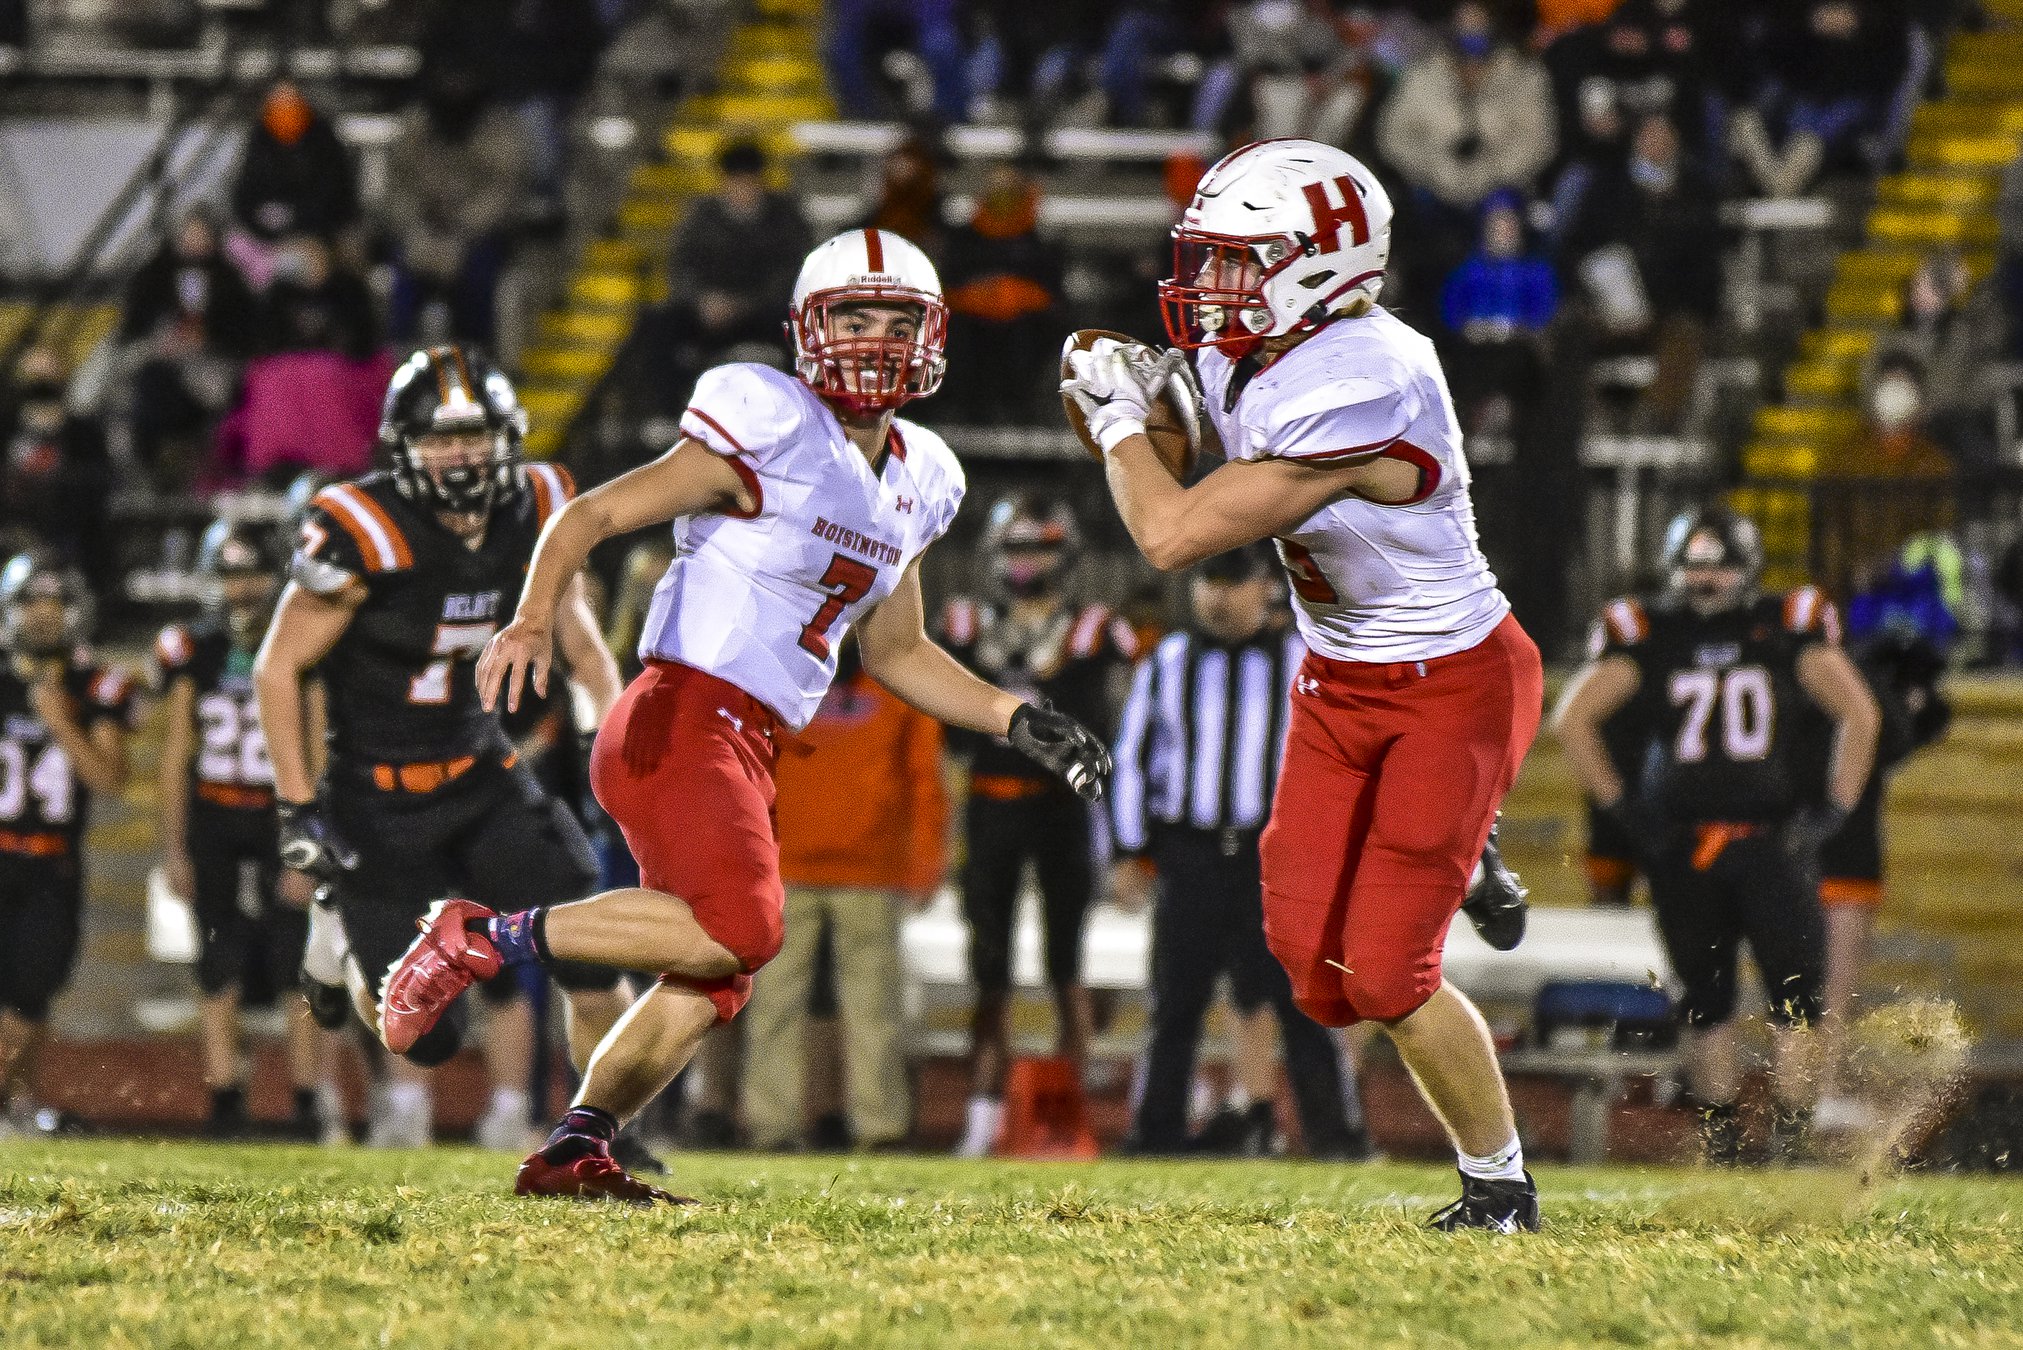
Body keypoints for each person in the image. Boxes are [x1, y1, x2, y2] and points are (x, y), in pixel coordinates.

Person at [375, 228, 1111, 1202]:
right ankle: (480, 938)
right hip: (682, 712)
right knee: (742, 927)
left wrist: (1017, 717)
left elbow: (896, 653)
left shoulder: (924, 473)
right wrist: (532, 619)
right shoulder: (764, 417)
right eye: (854, 316)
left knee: (717, 971)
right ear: (808, 329)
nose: (876, 339)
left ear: (932, 336)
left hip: (748, 739)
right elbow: (590, 514)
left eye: (897, 320)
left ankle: (574, 1148)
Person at [1066, 139, 1542, 1230]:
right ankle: (1465, 851)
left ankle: (1501, 1187)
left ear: (1323, 264)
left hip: (1450, 685)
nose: (1211, 285)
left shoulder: (1366, 373)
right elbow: (1177, 459)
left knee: (1384, 974)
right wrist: (1125, 403)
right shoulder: (1258, 346)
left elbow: (1173, 530)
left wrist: (1112, 417)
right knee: (1308, 967)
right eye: (1210, 259)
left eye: (1241, 260)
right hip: (1339, 679)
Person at [252, 346, 634, 1148]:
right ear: (402, 448)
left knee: (598, 947)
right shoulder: (362, 526)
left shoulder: (539, 506)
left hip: (482, 773)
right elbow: (278, 667)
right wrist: (297, 807)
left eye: (474, 437)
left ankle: (605, 1135)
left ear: (508, 438)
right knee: (428, 1036)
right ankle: (339, 933)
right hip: (376, 797)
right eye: (437, 439)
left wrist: (614, 755)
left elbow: (586, 652)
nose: (458, 456)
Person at [1552, 506, 1880, 1163]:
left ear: (1747, 568)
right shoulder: (1654, 632)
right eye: (1695, 565)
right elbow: (1571, 718)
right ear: (1676, 570)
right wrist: (1628, 812)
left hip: (1766, 842)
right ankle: (1724, 1140)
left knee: (1795, 1002)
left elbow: (1859, 713)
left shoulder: (1783, 628)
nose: (1706, 579)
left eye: (1719, 564)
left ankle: (1787, 1141)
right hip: (1685, 845)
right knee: (1706, 1001)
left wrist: (1832, 812)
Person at [1110, 542, 1370, 1161]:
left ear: (1265, 588)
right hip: (1191, 857)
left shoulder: (1303, 663)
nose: (1217, 597)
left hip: (1274, 860)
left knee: (1304, 1004)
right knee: (1175, 1004)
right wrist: (1129, 851)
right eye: (1208, 582)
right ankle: (1156, 1134)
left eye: (1232, 583)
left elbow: (1342, 761)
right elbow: (1131, 761)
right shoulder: (1167, 661)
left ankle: (1335, 1137)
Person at [939, 495, 1135, 1159]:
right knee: (988, 968)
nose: (1029, 562)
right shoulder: (963, 624)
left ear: (1067, 553)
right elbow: (945, 734)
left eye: (1041, 547)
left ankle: (1063, 1110)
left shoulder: (1096, 628)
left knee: (1065, 964)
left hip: (1065, 809)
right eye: (1018, 548)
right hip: (989, 804)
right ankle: (981, 1115)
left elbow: (1118, 729)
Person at [156, 519, 329, 1139]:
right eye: (231, 574)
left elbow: (315, 747)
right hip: (214, 817)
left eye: (252, 573)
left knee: (294, 960)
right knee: (216, 957)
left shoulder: (301, 643)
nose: (242, 588)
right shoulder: (193, 650)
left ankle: (308, 1097)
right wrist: (173, 845)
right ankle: (225, 1093)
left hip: (279, 814)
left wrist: (309, 840)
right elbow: (177, 752)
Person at [741, 636, 946, 1152]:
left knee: (862, 1008)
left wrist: (925, 861)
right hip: (795, 866)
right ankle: (777, 1126)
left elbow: (925, 776)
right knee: (783, 1007)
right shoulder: (780, 679)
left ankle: (873, 1129)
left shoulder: (889, 679)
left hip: (863, 870)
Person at [0, 556, 133, 1133]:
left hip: (52, 863)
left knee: (30, 993)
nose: (44, 616)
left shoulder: (96, 684)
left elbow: (110, 777)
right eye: (32, 603)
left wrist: (60, 721)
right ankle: (16, 1108)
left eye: (55, 604)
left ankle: (15, 1107)